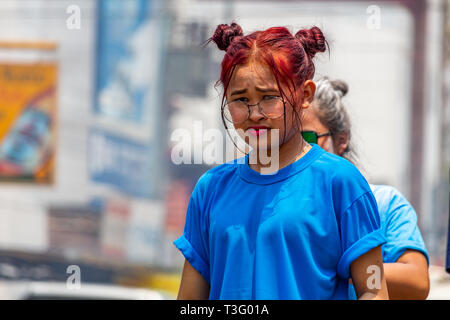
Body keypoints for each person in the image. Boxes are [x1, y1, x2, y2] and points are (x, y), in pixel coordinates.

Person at [174, 23, 389, 300]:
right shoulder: (211, 189)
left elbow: (373, 291)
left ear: (305, 96)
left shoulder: (340, 182)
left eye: (269, 97)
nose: (255, 113)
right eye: (240, 99)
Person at [301, 77, 430, 299]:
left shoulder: (383, 202)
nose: (298, 151)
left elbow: (417, 281)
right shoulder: (275, 205)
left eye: (307, 138)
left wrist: (338, 267)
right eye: (286, 142)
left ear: (341, 140)